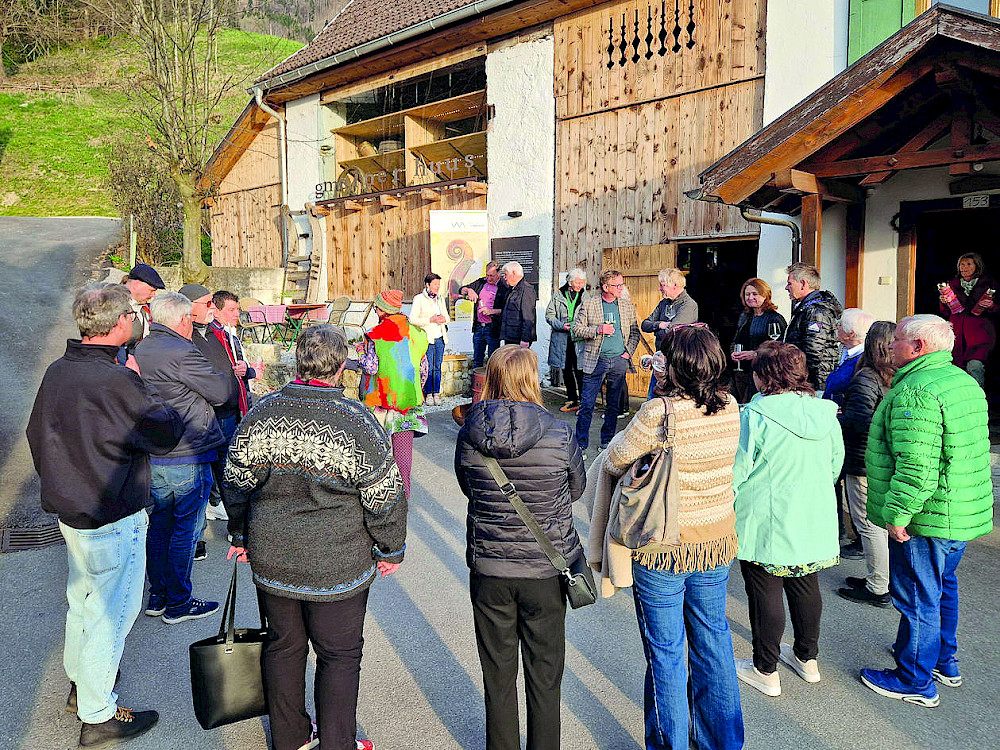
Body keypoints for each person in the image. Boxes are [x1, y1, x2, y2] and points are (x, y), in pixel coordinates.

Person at [226, 325, 406, 750]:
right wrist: (391, 548)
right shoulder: (357, 421)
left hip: (273, 556)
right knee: (339, 655)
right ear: (342, 366)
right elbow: (384, 495)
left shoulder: (264, 413)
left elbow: (235, 481)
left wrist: (240, 533)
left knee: (283, 647)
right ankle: (337, 742)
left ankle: (289, 739)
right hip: (338, 562)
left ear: (298, 361)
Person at [26, 284, 182, 749]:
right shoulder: (116, 379)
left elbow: (38, 434)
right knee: (111, 614)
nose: (135, 320)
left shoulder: (60, 370)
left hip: (73, 509)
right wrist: (139, 381)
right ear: (120, 324)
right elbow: (164, 432)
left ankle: (82, 685)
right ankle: (98, 714)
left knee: (84, 601)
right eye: (131, 315)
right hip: (112, 512)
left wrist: (63, 483)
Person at [604, 326, 743, 750]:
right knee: (713, 642)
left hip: (663, 544)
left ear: (675, 366)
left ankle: (670, 744)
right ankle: (722, 742)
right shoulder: (731, 406)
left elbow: (614, 459)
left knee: (665, 652)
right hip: (715, 540)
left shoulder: (659, 412)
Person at [454, 345, 585, 750]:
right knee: (545, 675)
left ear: (492, 379)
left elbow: (469, 488)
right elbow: (576, 489)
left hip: (491, 567)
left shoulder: (470, 434)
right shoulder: (560, 432)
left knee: (497, 673)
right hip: (546, 568)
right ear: (532, 380)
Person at [861, 315, 993, 707]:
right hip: (959, 511)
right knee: (942, 585)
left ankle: (915, 680)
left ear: (918, 347)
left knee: (919, 595)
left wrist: (899, 514)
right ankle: (942, 661)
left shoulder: (916, 390)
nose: (891, 345)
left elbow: (917, 465)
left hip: (929, 516)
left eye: (898, 339)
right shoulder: (961, 380)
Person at [732, 341, 843, 697]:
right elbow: (834, 465)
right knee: (805, 584)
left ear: (762, 375)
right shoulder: (824, 413)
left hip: (767, 514)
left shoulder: (754, 415)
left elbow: (738, 470)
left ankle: (765, 668)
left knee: (765, 590)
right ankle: (807, 658)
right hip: (812, 512)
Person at [134, 292, 234, 624]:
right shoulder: (182, 351)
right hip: (187, 450)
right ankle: (178, 602)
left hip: (156, 451)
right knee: (185, 529)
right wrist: (227, 374)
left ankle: (158, 595)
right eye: (190, 317)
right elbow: (221, 393)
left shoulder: (143, 348)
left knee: (160, 523)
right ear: (182, 320)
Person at [835, 321, 897, 608]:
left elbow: (860, 423)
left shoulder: (867, 378)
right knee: (880, 524)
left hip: (863, 461)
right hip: (884, 460)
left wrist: (838, 416)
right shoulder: (896, 375)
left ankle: (878, 586)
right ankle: (881, 578)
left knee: (869, 525)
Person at [180, 283, 242, 558]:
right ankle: (197, 541)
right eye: (207, 304)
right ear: (188, 307)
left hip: (227, 415)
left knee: (229, 474)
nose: (212, 308)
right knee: (201, 481)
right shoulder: (185, 337)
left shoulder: (218, 333)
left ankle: (239, 531)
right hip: (202, 419)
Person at [357, 289, 429, 498]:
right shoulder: (417, 333)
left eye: (376, 307)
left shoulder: (375, 333)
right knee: (403, 460)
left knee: (376, 455)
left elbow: (371, 367)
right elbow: (423, 370)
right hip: (407, 402)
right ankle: (403, 500)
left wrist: (360, 351)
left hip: (380, 403)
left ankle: (378, 499)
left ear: (382, 310)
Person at [572, 269, 640, 452]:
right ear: (605, 287)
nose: (621, 288)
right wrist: (598, 330)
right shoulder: (589, 304)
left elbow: (635, 332)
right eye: (617, 285)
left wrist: (627, 353)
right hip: (596, 361)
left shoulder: (626, 305)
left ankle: (607, 441)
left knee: (613, 406)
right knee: (587, 405)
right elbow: (576, 330)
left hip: (618, 361)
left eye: (621, 284)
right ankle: (581, 444)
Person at [938, 251, 997, 387]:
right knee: (956, 369)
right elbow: (945, 312)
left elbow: (998, 309)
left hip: (980, 336)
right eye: (962, 265)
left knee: (974, 367)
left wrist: (991, 306)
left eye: (969, 264)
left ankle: (977, 398)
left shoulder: (988, 285)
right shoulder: (952, 285)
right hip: (957, 334)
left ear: (977, 266)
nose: (964, 268)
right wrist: (943, 302)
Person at [783, 262, 843, 391]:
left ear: (803, 284)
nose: (786, 288)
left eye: (789, 284)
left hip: (813, 383)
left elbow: (812, 353)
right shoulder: (806, 308)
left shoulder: (816, 312)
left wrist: (799, 381)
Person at [730, 278, 786, 402]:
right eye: (747, 294)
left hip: (764, 374)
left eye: (755, 294)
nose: (750, 297)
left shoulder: (774, 319)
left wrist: (756, 354)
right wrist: (733, 352)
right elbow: (736, 340)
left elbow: (780, 348)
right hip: (743, 372)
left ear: (765, 295)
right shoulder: (745, 316)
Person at [545, 268, 588, 412]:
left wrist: (580, 326)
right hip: (562, 339)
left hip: (579, 339)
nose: (580, 284)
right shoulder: (558, 296)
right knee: (566, 369)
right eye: (577, 282)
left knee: (580, 370)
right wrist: (561, 325)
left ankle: (584, 403)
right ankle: (572, 400)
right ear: (570, 282)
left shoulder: (586, 296)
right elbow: (549, 315)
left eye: (582, 282)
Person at [410, 272, 450, 405]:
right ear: (427, 285)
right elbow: (412, 319)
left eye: (439, 284)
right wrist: (430, 320)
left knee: (437, 366)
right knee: (429, 367)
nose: (438, 287)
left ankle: (436, 393)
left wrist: (444, 319)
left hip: (440, 337)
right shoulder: (419, 299)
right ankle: (428, 394)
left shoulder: (440, 299)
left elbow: (447, 317)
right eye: (435, 284)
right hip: (427, 338)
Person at [823, 308, 874, 407]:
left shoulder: (864, 360)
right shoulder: (845, 352)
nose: (837, 328)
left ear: (851, 334)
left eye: (840, 325)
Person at [119, 263, 165, 366]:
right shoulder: (113, 305)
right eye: (151, 291)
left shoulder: (144, 308)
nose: (153, 295)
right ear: (136, 285)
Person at [641, 268, 699, 350]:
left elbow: (672, 333)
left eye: (662, 285)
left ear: (675, 285)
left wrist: (656, 332)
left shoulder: (688, 305)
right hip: (661, 353)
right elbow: (644, 325)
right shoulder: (664, 303)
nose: (659, 288)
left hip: (678, 354)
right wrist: (660, 324)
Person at [460, 261, 502, 367]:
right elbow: (461, 290)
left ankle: (491, 378)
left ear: (498, 274)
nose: (489, 278)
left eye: (491, 276)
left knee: (493, 361)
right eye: (487, 275)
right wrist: (469, 290)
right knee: (477, 359)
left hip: (492, 327)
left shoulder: (503, 286)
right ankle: (477, 378)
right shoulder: (481, 282)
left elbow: (506, 309)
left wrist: (491, 311)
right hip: (479, 327)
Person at [496, 261, 537, 346]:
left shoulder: (526, 290)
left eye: (506, 274)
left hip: (519, 339)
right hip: (510, 337)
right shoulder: (511, 289)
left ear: (513, 273)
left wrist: (525, 339)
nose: (504, 278)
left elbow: (529, 317)